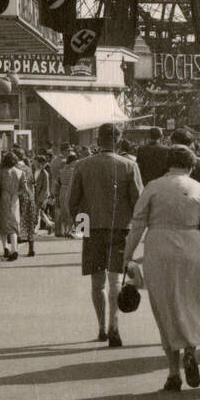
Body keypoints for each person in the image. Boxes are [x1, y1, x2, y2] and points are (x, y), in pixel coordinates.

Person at [124, 145, 200, 391]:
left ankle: (174, 373)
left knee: (164, 307)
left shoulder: (153, 187)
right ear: (191, 165)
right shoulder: (198, 188)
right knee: (192, 301)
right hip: (191, 247)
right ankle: (190, 349)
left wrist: (128, 255)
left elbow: (137, 224)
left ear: (168, 164)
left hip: (159, 247)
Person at [68, 123, 143, 348]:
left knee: (97, 282)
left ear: (97, 140)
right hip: (120, 228)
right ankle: (114, 325)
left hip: (92, 228)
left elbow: (72, 202)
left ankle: (100, 327)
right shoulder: (130, 166)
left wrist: (81, 228)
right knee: (115, 280)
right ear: (118, 141)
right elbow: (139, 201)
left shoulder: (82, 166)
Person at [0, 151, 26, 261]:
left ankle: (5, 247)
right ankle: (15, 249)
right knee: (13, 224)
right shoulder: (20, 172)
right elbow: (24, 189)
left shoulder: (1, 172)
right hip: (14, 200)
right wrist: (16, 194)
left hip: (3, 198)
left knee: (3, 225)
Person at [16, 151, 37, 257]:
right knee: (30, 223)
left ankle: (14, 249)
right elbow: (32, 186)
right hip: (30, 197)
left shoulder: (17, 169)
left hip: (20, 197)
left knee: (17, 222)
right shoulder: (28, 169)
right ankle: (31, 248)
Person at [54, 152, 78, 236]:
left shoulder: (61, 170)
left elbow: (57, 183)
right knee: (70, 211)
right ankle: (69, 230)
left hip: (62, 191)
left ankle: (64, 230)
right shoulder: (74, 171)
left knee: (64, 211)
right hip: (70, 191)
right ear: (72, 161)